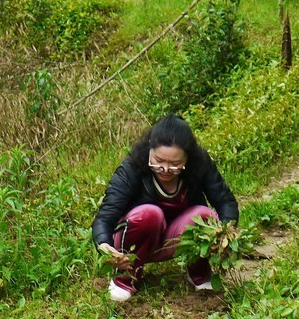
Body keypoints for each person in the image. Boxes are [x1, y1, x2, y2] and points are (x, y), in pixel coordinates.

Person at [91, 113, 239, 302]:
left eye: (175, 164)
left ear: (188, 158)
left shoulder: (200, 163)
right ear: (149, 149)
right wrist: (104, 246)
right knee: (150, 214)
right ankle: (125, 279)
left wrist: (225, 234)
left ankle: (200, 273)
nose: (166, 169)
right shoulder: (131, 168)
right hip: (136, 237)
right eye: (158, 161)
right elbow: (105, 217)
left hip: (176, 238)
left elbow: (225, 201)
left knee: (205, 215)